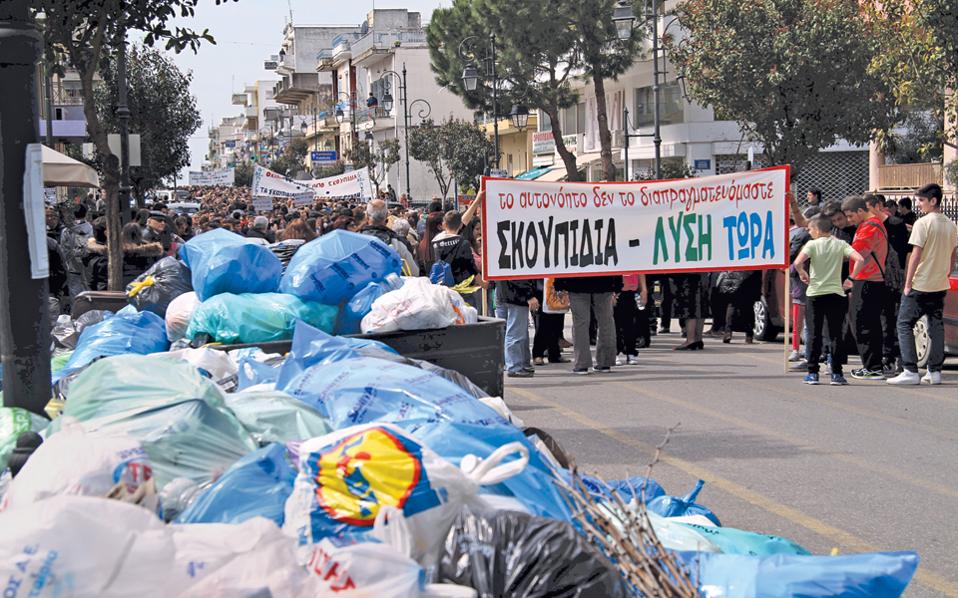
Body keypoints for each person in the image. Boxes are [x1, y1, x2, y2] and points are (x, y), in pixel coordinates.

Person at [888, 183, 958, 385]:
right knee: (936, 325)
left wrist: (907, 283)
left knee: (904, 323)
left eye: (921, 201)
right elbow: (953, 255)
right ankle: (934, 371)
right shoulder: (951, 225)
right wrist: (944, 272)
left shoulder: (923, 223)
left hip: (920, 282)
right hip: (939, 283)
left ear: (933, 201)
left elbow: (915, 255)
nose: (918, 205)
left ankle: (910, 369)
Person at [793, 216, 866, 386]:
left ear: (817, 230)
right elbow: (860, 259)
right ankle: (837, 373)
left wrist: (803, 273)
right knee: (835, 334)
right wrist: (851, 278)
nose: (808, 232)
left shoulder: (812, 245)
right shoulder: (840, 244)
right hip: (836, 293)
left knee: (814, 333)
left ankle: (813, 372)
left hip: (815, 293)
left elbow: (797, 263)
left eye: (810, 229)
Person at [842, 195, 889, 380]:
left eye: (850, 216)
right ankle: (873, 365)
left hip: (867, 280)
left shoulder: (869, 227)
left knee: (862, 324)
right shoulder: (871, 224)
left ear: (861, 211)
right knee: (869, 324)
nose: (849, 220)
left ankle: (873, 367)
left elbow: (857, 253)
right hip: (871, 281)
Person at [554, 275, 620, 374]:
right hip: (604, 282)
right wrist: (617, 285)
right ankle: (605, 363)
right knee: (606, 323)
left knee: (580, 324)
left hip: (577, 282)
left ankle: (581, 365)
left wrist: (559, 284)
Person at [86, 219, 164, 290]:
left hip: (113, 297)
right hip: (143, 295)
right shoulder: (153, 255)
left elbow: (94, 281)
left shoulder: (105, 256)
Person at [361, 200, 419, 276]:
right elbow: (414, 273)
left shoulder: (356, 239)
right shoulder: (397, 243)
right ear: (386, 216)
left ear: (367, 216)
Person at [495, 279, 538, 378]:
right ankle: (515, 367)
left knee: (511, 332)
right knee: (515, 333)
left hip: (502, 292)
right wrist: (529, 294)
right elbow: (518, 277)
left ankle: (518, 364)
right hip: (516, 295)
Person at [430, 211, 480, 287]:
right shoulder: (463, 243)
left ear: (444, 225)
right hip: (461, 288)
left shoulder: (435, 242)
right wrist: (482, 283)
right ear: (460, 225)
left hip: (440, 286)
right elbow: (471, 268)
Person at [716, 270, 761, 344]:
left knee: (732, 305)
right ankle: (749, 336)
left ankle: (728, 332)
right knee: (748, 306)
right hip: (749, 275)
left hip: (733, 275)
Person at [59, 203, 93, 299]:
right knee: (90, 295)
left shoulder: (66, 231)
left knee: (76, 296)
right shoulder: (92, 229)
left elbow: (64, 252)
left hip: (73, 268)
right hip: (88, 267)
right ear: (86, 214)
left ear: (72, 214)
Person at [614, 274, 649, 364]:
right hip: (614, 288)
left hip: (631, 289)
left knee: (630, 325)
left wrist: (644, 289)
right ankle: (615, 353)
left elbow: (640, 271)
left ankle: (630, 352)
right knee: (614, 325)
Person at [669, 273, 708, 350]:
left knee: (689, 305)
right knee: (700, 303)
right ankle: (698, 339)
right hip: (702, 271)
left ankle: (690, 340)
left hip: (687, 274)